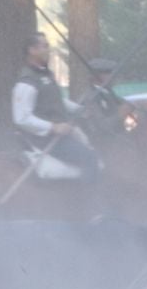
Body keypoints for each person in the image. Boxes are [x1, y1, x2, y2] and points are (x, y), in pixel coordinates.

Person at [13, 33, 100, 181]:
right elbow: (21, 118)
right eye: (44, 46)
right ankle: (86, 202)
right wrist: (53, 127)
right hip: (44, 139)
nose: (48, 50)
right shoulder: (27, 81)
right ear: (32, 50)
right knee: (89, 158)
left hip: (59, 135)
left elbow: (55, 100)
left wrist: (79, 109)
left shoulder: (46, 75)